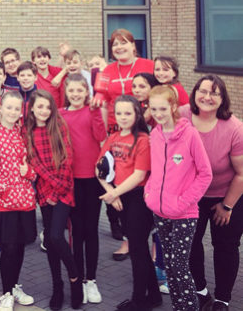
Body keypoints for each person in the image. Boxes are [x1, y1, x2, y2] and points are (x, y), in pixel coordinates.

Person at [144, 85, 212, 311]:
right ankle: (178, 306)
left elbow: (205, 174)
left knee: (180, 266)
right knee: (169, 267)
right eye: (154, 109)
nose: (158, 114)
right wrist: (149, 194)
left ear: (173, 106)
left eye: (163, 108)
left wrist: (183, 202)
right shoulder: (154, 135)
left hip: (185, 214)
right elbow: (155, 171)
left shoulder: (190, 134)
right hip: (160, 212)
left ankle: (190, 308)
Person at [181, 75, 243, 311]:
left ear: (222, 98)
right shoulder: (181, 116)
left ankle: (222, 299)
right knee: (190, 243)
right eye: (203, 91)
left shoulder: (234, 128)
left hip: (227, 193)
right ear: (195, 93)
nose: (207, 97)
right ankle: (200, 291)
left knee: (226, 245)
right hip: (191, 196)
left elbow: (242, 173)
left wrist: (227, 206)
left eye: (214, 93)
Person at [96, 95, 160, 311]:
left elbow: (139, 175)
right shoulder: (113, 137)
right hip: (119, 197)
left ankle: (138, 301)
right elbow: (98, 168)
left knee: (138, 250)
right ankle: (154, 296)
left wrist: (115, 193)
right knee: (139, 249)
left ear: (137, 114)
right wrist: (111, 193)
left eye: (128, 113)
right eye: (119, 113)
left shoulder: (142, 139)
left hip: (138, 198)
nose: (123, 117)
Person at [25, 90, 83, 310]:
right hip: (43, 191)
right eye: (40, 106)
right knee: (50, 241)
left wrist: (56, 191)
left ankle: (75, 278)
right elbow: (34, 163)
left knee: (57, 235)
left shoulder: (59, 127)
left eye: (48, 107)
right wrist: (49, 191)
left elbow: (68, 160)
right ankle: (57, 286)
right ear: (32, 108)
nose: (44, 111)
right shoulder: (27, 131)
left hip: (64, 189)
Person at [0, 91, 36, 311]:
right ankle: (6, 293)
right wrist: (6, 191)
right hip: (3, 203)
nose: (13, 112)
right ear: (1, 108)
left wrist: (28, 172)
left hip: (25, 201)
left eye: (17, 108)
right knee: (9, 247)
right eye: (9, 107)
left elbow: (32, 165)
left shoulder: (22, 133)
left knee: (20, 245)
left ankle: (14, 287)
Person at [60, 74, 107, 305]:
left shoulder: (92, 111)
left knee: (91, 230)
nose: (76, 94)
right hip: (71, 180)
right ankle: (77, 278)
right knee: (76, 232)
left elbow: (101, 136)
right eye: (72, 91)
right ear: (66, 92)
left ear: (86, 92)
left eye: (80, 90)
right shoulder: (60, 114)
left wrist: (96, 113)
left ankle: (91, 279)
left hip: (92, 180)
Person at [92, 29, 154, 133]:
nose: (119, 47)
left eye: (123, 43)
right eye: (115, 44)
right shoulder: (107, 70)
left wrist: (149, 113)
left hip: (143, 125)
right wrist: (104, 134)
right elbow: (104, 105)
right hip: (115, 128)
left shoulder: (150, 65)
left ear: (133, 46)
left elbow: (162, 92)